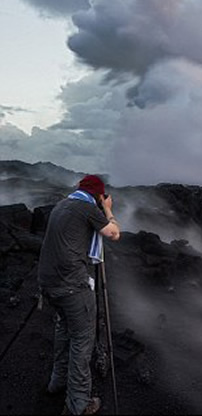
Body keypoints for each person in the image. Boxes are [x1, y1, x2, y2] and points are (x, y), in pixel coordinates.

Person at [38, 174, 120, 416]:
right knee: (82, 341)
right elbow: (114, 233)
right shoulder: (88, 208)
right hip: (72, 286)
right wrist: (108, 210)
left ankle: (57, 381)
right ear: (97, 195)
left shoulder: (61, 205)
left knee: (64, 331)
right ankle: (78, 404)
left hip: (48, 283)